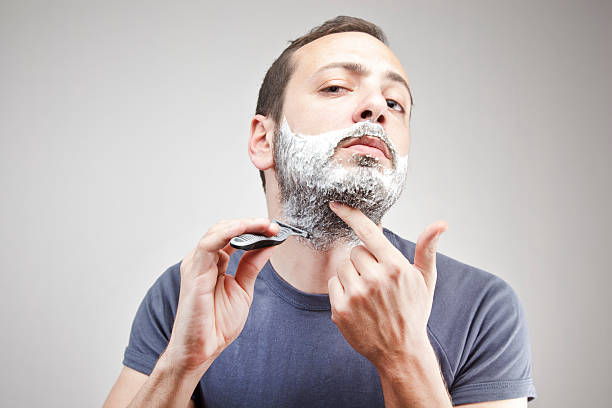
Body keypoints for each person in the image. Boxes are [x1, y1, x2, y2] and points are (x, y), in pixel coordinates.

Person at [104, 16, 537, 408]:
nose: (376, 109)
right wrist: (181, 365)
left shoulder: (481, 306)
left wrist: (404, 354)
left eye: (396, 102)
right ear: (263, 140)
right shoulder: (190, 293)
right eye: (336, 87)